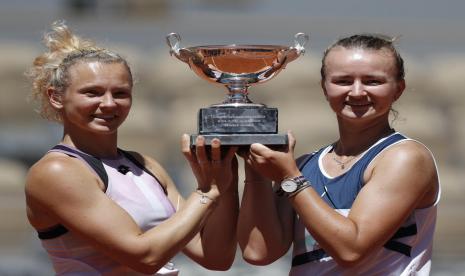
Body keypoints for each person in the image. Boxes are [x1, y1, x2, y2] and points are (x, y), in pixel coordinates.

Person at [25, 20, 239, 275]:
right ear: (56, 97)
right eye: (92, 93)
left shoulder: (145, 165)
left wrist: (226, 172)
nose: (108, 104)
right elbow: (145, 257)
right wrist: (207, 192)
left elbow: (215, 256)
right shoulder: (57, 171)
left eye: (120, 93)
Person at [237, 34, 440, 275]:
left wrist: (289, 178)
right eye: (343, 81)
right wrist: (255, 169)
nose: (356, 92)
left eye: (373, 81)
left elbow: (351, 250)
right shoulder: (305, 165)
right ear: (324, 87)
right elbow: (258, 252)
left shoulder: (405, 157)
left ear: (399, 89)